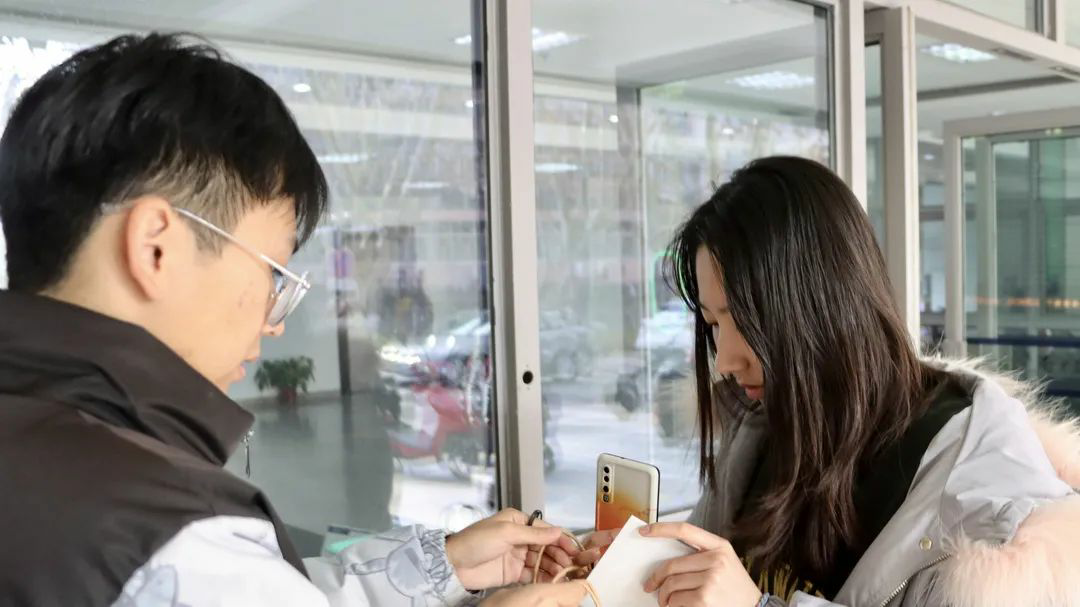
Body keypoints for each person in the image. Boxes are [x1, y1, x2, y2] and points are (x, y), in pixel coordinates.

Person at [0, 33, 586, 606]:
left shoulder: (43, 443)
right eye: (272, 272)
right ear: (157, 246)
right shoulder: (171, 531)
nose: (274, 321)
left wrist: (440, 567)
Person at [583, 157, 1080, 606]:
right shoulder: (761, 426)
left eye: (744, 321)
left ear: (822, 305)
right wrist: (640, 574)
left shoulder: (994, 506)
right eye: (714, 325)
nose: (726, 361)